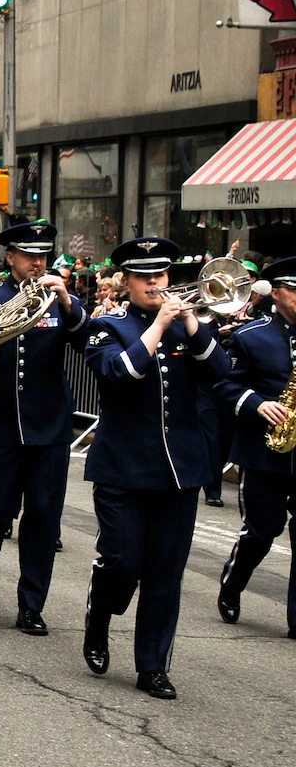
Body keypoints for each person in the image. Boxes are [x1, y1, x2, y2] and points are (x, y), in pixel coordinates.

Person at [81, 236, 232, 698]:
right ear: (125, 282)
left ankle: (152, 666)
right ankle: (100, 614)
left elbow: (221, 372)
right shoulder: (108, 327)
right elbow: (118, 375)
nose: (155, 283)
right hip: (122, 467)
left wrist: (189, 322)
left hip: (179, 469)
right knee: (123, 562)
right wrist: (158, 325)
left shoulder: (188, 327)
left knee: (166, 572)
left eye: (161, 275)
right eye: (144, 276)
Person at [0, 221, 88, 634]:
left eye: (43, 256)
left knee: (43, 518)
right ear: (10, 257)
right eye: (29, 256)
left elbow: (86, 340)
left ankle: (31, 604)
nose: (38, 263)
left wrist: (67, 301)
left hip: (49, 427)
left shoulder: (58, 301)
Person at [213, 255, 296, 633]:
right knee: (263, 531)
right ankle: (232, 583)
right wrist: (257, 403)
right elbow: (224, 385)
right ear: (276, 293)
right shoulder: (250, 337)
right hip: (266, 452)